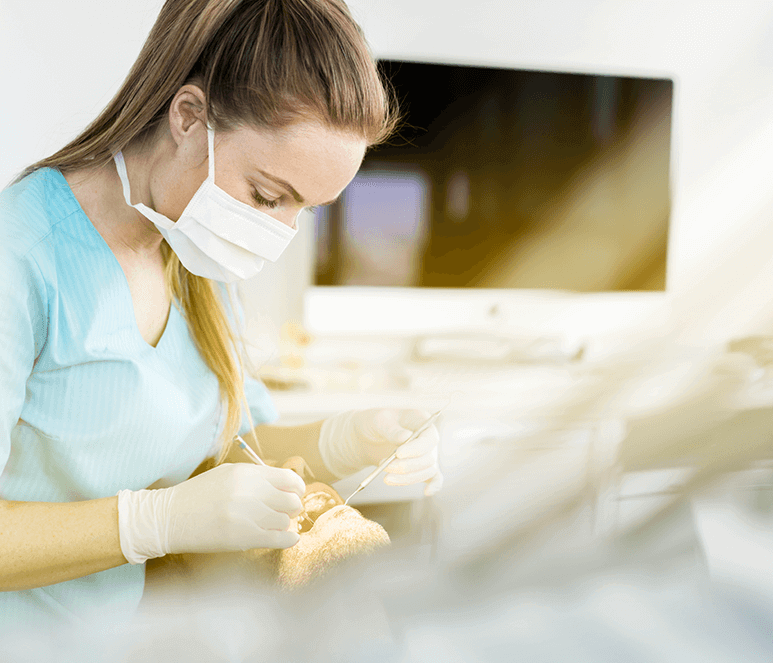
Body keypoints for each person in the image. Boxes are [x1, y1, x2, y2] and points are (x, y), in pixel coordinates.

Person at [0, 0, 442, 627]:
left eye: (304, 210)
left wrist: (346, 439)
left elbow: (228, 451)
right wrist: (154, 522)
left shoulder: (190, 251)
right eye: (267, 196)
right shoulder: (19, 256)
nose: (278, 232)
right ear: (188, 117)